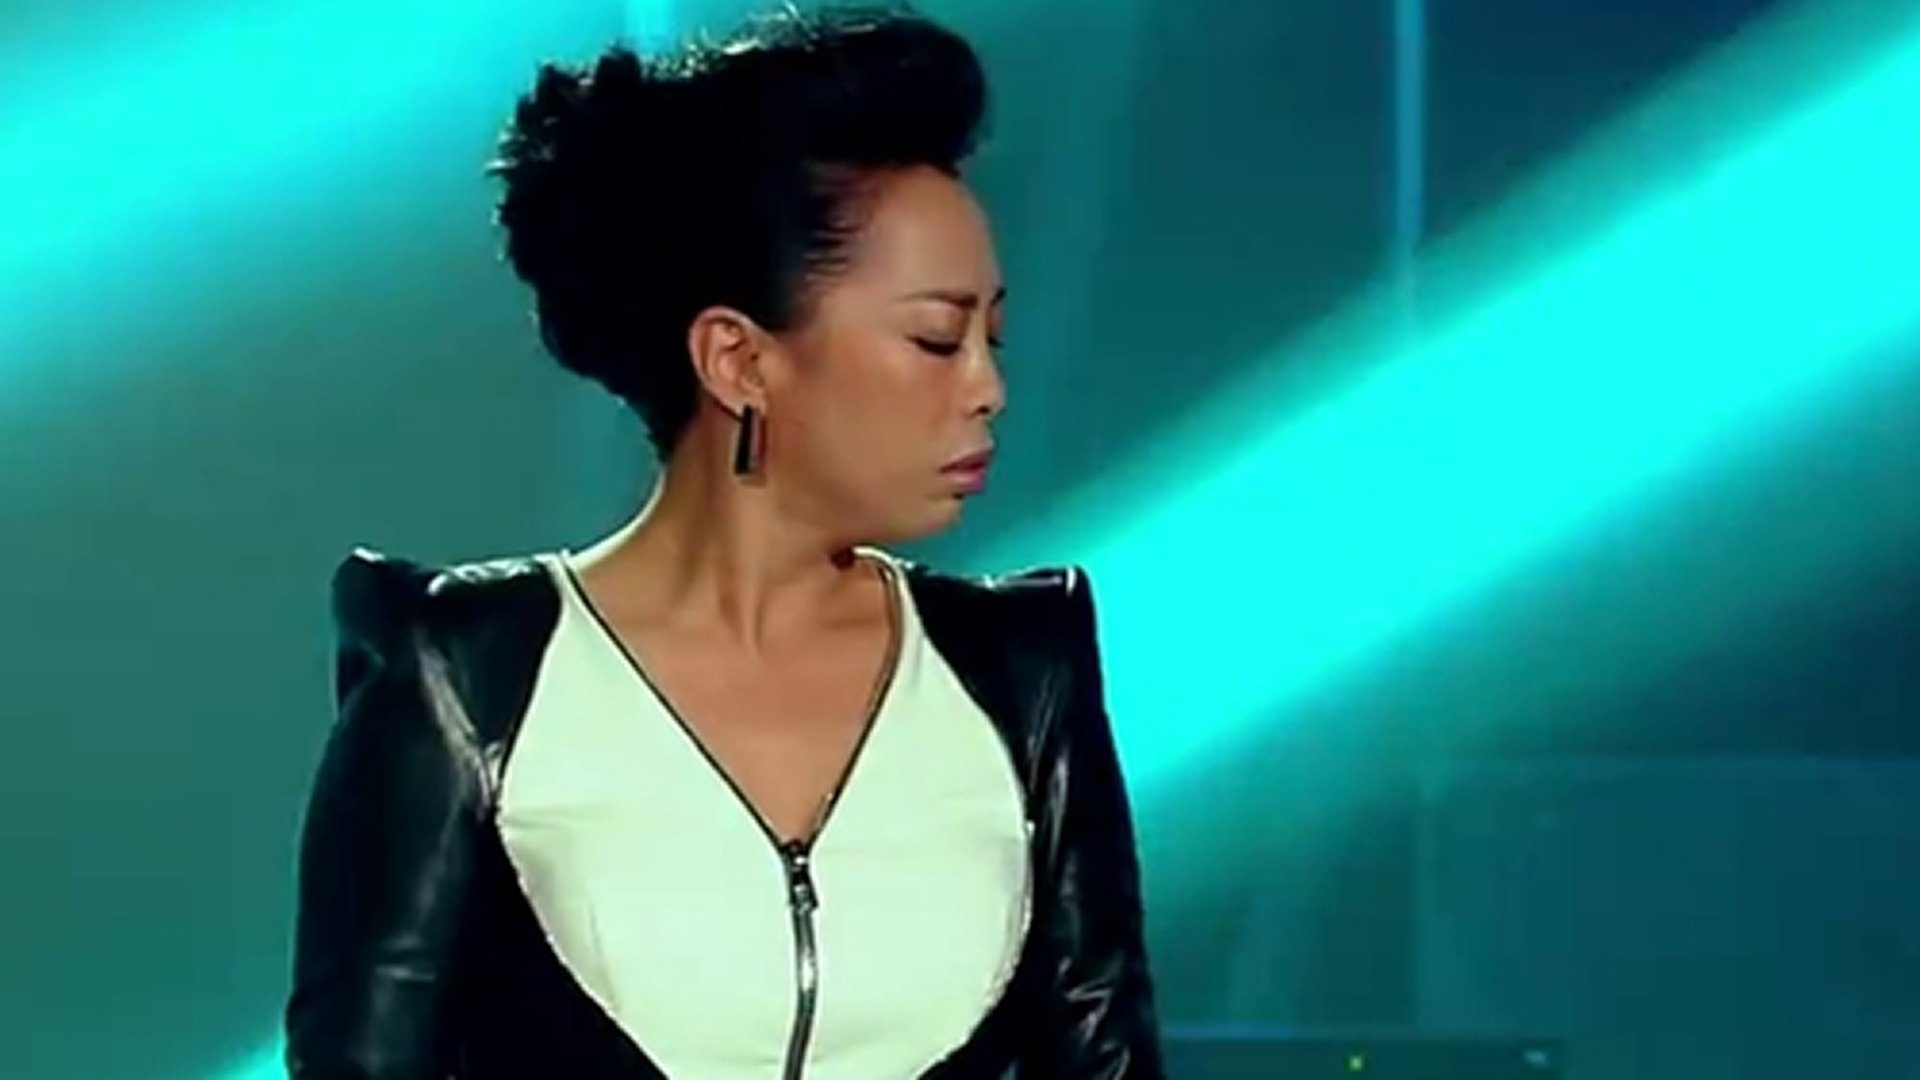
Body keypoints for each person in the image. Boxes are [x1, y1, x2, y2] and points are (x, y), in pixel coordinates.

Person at [282, 4, 1163, 1077]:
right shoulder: (469, 679)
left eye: (995, 338)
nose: (987, 389)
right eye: (937, 339)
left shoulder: (1021, 673)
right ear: (738, 360)